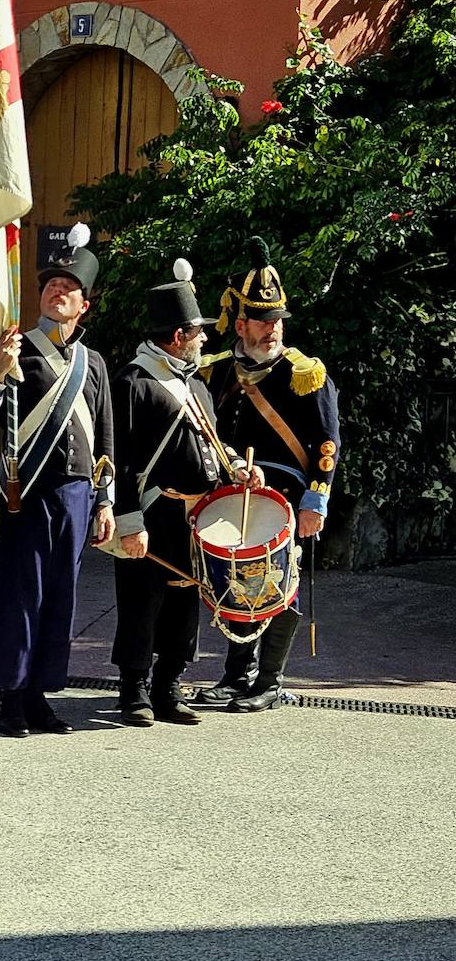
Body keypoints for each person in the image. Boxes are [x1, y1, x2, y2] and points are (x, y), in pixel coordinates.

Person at [110, 261, 262, 727]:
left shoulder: (195, 383)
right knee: (142, 601)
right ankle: (134, 690)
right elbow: (121, 461)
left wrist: (236, 467)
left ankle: (167, 686)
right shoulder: (133, 383)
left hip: (195, 514)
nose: (203, 339)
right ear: (177, 336)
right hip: (152, 513)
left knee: (182, 600)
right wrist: (129, 522)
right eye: (197, 332)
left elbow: (209, 441)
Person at [0, 223, 115, 737]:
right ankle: (8, 696)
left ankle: (38, 695)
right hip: (27, 491)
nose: (58, 291)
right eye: (51, 284)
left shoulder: (93, 362)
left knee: (61, 597)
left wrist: (105, 502)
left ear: (85, 305)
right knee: (21, 595)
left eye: (69, 287)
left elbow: (105, 440)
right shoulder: (15, 350)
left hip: (78, 496)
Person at [196, 236, 340, 711]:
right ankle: (237, 674)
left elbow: (326, 444)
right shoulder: (217, 371)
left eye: (277, 320)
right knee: (237, 581)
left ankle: (271, 681)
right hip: (235, 493)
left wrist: (314, 502)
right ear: (240, 323)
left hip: (285, 500)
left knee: (280, 584)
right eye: (262, 320)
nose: (272, 329)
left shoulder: (305, 373)